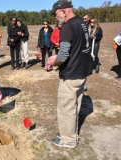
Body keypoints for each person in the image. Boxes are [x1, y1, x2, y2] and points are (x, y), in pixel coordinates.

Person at [48, 0, 92, 148]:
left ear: (63, 10)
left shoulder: (67, 27)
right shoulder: (81, 22)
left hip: (71, 74)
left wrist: (52, 61)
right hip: (81, 73)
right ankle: (69, 132)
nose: (55, 16)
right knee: (74, 106)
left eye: (55, 13)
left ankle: (68, 140)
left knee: (66, 108)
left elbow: (62, 56)